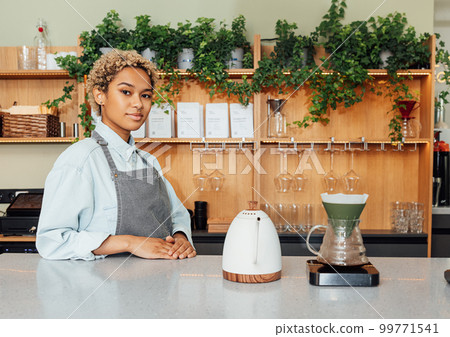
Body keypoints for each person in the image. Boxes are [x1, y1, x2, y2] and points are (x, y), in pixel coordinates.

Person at [36, 50, 196, 261]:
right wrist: (130, 242)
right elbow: (52, 240)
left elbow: (176, 215)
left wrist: (181, 238)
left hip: (159, 286)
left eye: (145, 95)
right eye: (126, 92)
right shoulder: (81, 159)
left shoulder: (149, 162)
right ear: (99, 95)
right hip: (102, 289)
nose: (138, 103)